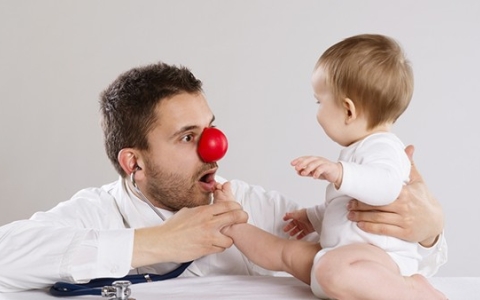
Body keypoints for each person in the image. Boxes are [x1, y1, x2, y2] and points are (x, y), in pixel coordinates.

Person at [0, 61, 446, 293]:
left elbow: (366, 267)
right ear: (133, 162)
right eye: (188, 137)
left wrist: (427, 235)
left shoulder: (254, 208)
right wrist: (159, 243)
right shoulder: (96, 212)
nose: (215, 147)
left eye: (210, 127)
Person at [216, 34, 447, 299]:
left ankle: (411, 290)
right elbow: (348, 205)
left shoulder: (384, 147)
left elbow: (387, 188)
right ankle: (231, 223)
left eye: (319, 101)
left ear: (348, 111)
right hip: (344, 252)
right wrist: (313, 217)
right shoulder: (359, 151)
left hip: (379, 260)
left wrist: (339, 172)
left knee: (330, 270)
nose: (317, 110)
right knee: (285, 253)